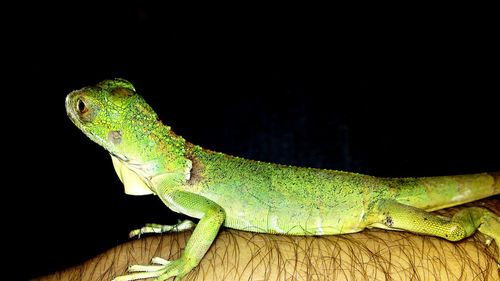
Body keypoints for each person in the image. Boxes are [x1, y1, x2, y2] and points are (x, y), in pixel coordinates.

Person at [37, 197, 499, 281]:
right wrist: (181, 225)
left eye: (86, 112)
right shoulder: (177, 181)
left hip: (372, 201)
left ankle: (480, 212)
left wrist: (182, 265)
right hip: (363, 199)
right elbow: (208, 211)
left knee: (457, 230)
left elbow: (215, 212)